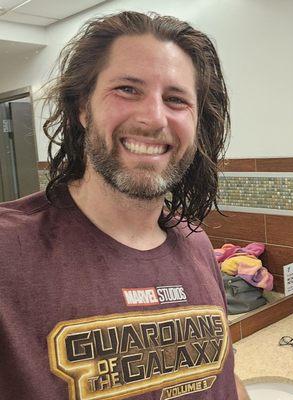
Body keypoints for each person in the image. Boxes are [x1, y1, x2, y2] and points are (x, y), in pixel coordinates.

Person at [0, 11, 250, 400]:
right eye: (128, 89)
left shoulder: (197, 244)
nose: (154, 117)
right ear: (83, 108)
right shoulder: (8, 252)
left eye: (176, 99)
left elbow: (225, 377)